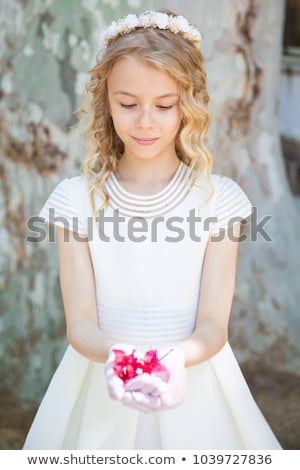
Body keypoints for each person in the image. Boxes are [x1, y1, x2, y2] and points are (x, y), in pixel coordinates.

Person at [23, 10, 282, 450]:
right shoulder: (75, 201)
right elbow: (81, 323)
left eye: (165, 105)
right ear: (106, 100)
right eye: (128, 103)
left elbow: (213, 325)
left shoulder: (219, 201)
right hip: (102, 378)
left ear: (190, 103)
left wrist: (169, 360)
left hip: (196, 383)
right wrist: (127, 361)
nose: (145, 121)